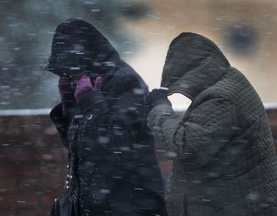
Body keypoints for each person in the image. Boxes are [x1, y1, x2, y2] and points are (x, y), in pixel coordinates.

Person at [146, 32, 277, 216]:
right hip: (240, 203)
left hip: (232, 206)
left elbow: (185, 146)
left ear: (193, 76)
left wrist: (159, 107)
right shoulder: (230, 82)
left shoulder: (220, 98)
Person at [47, 18, 168, 216]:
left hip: (130, 205)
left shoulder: (125, 81)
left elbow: (120, 146)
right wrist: (69, 108)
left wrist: (90, 101)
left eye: (71, 71)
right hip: (98, 205)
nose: (69, 77)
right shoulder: (84, 85)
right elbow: (81, 149)